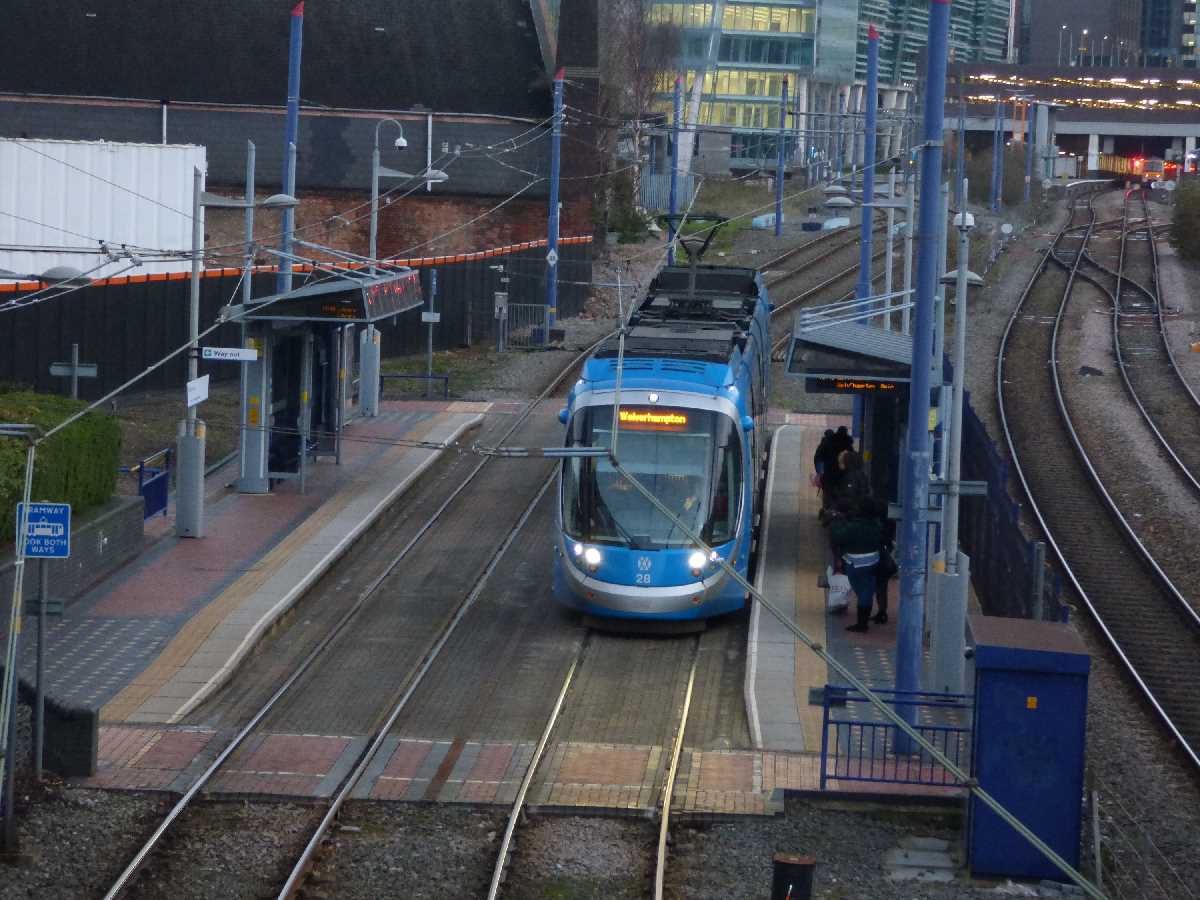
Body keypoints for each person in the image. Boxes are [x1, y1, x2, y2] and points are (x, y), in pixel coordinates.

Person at [829, 496, 883, 633]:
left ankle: (861, 624)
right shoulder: (877, 525)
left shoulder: (853, 526)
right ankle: (864, 621)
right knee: (868, 591)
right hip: (874, 562)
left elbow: (837, 537)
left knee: (862, 592)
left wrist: (835, 521)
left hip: (856, 564)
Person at [871, 497, 897, 625]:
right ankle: (882, 611)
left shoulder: (877, 525)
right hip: (887, 561)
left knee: (879, 587)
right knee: (882, 587)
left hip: (881, 561)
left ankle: (882, 612)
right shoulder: (891, 523)